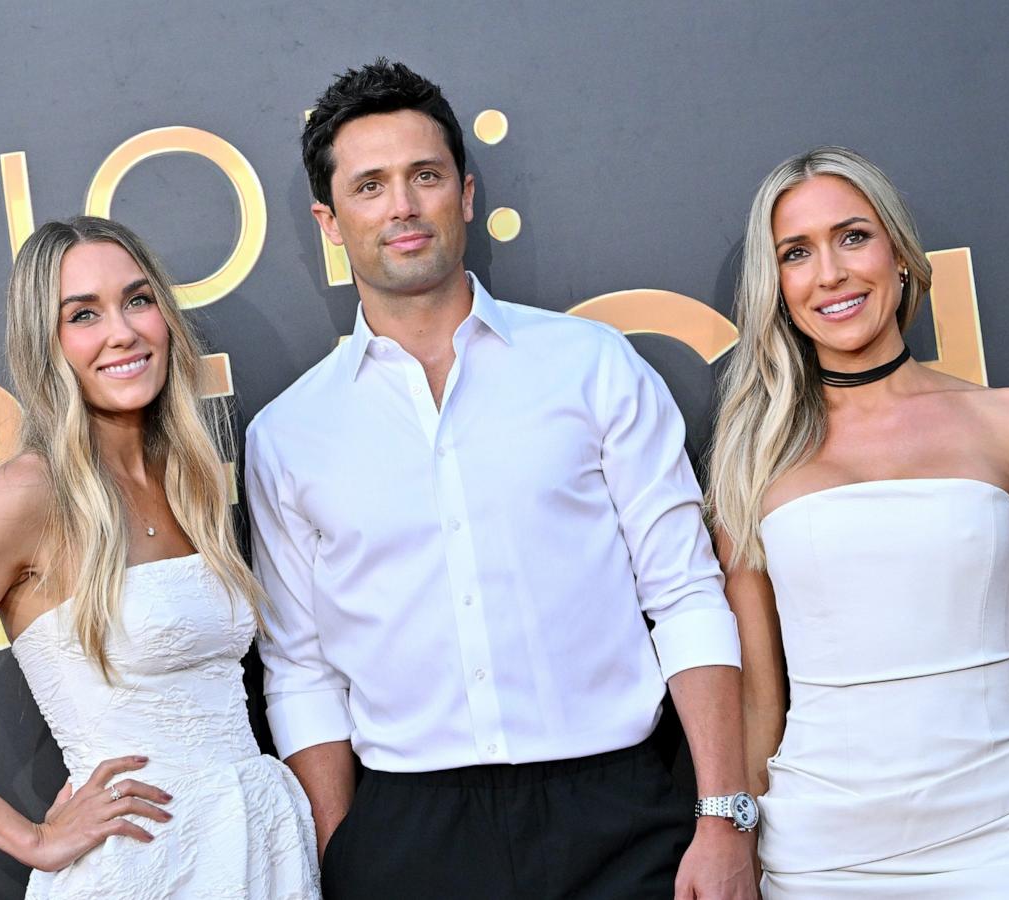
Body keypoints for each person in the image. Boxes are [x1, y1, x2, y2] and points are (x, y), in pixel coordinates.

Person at [244, 59, 759, 900]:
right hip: (407, 837)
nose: (403, 206)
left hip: (619, 813)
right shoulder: (289, 436)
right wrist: (345, 854)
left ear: (467, 193)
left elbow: (687, 594)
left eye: (425, 176)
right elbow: (300, 671)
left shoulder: (591, 366)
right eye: (369, 185)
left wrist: (721, 816)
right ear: (329, 222)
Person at [0, 216, 319, 899]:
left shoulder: (188, 479)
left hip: (258, 848)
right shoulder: (30, 496)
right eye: (83, 315)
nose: (122, 331)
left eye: (138, 300)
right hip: (144, 869)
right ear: (46, 343)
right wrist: (32, 839)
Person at [704, 146, 1009, 897]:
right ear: (775, 287)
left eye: (852, 236)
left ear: (901, 254)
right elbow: (756, 697)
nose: (832, 273)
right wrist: (734, 843)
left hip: (999, 837)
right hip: (820, 853)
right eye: (797, 253)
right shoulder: (751, 460)